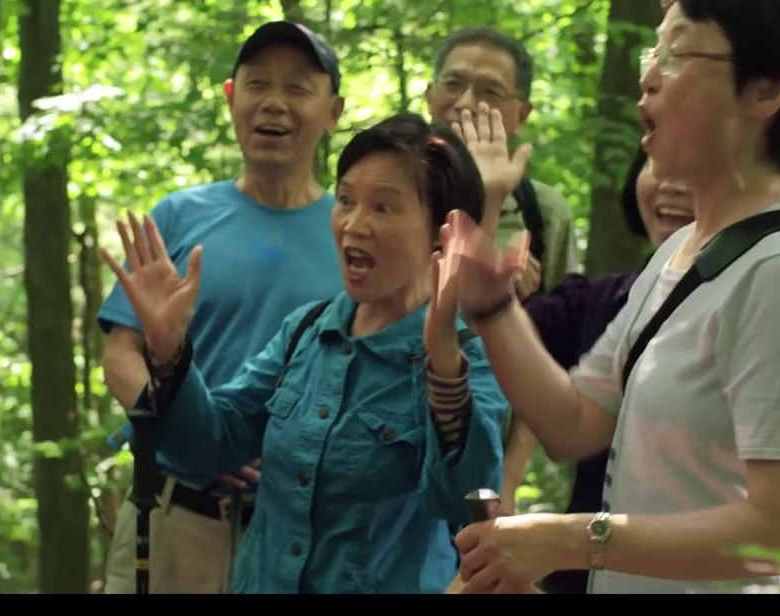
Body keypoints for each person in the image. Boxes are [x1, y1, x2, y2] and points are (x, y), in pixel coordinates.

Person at [446, 0, 780, 594]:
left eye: (678, 54)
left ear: (766, 92)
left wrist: (568, 539)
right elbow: (575, 421)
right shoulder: (684, 253)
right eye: (654, 52)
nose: (647, 76)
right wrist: (492, 307)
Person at [99, 113, 510, 593]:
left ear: (444, 233)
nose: (354, 224)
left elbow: (467, 505)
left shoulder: (469, 355)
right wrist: (170, 352)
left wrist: (443, 366)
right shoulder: (307, 330)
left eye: (383, 207)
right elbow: (211, 443)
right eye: (346, 200)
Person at [97, 21, 347, 593]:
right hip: (176, 519)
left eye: (297, 88)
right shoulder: (179, 216)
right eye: (257, 84)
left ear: (333, 111)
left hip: (304, 533)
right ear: (232, 98)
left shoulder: (353, 236)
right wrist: (197, 440)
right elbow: (120, 355)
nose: (273, 103)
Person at [425, 26, 580, 299]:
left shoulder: (543, 212)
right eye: (452, 85)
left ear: (522, 115)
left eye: (490, 92)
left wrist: (510, 303)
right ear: (429, 96)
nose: (465, 103)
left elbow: (566, 316)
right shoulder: (387, 189)